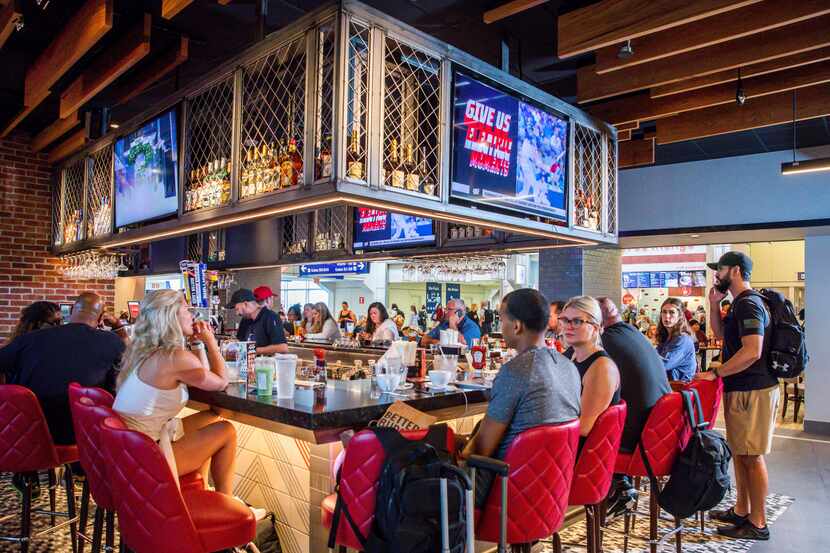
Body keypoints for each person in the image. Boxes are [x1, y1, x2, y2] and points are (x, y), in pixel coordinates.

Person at [112, 290, 244, 505]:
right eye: (186, 309)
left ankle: (201, 492)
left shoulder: (147, 351)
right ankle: (225, 505)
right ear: (171, 316)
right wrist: (210, 342)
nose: (192, 315)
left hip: (129, 448)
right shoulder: (174, 357)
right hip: (145, 456)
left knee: (211, 416)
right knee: (226, 431)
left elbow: (202, 373)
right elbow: (221, 381)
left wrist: (197, 343)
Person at [459, 288, 581, 506]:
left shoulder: (515, 372)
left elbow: (481, 450)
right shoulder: (569, 367)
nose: (500, 325)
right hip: (551, 490)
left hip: (506, 490)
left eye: (501, 319)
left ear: (516, 326)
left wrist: (454, 452)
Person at [695, 251, 777, 540]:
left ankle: (758, 522)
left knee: (752, 456)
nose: (717, 275)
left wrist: (717, 373)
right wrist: (714, 305)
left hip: (754, 389)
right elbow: (720, 337)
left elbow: (752, 351)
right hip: (742, 388)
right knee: (741, 454)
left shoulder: (750, 305)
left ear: (737, 271)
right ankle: (742, 510)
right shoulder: (739, 303)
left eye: (721, 269)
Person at [0, 293, 125, 445]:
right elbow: (131, 363)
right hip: (82, 433)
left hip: (26, 430)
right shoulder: (112, 341)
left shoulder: (30, 339)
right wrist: (118, 326)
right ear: (101, 318)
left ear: (71, 309)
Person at [596, 297, 671, 515]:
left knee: (587, 430)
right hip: (661, 433)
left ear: (596, 322)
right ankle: (620, 484)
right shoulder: (632, 332)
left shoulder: (606, 341)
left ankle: (611, 488)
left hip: (641, 441)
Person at [560, 296, 621, 440]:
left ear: (595, 327)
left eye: (577, 321)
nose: (568, 326)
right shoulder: (573, 356)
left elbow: (584, 429)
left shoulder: (601, 368)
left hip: (580, 451)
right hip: (567, 440)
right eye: (565, 320)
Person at [228, 289, 288, 354]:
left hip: (266, 362)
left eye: (237, 309)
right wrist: (232, 345)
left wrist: (254, 351)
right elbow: (240, 342)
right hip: (248, 362)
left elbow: (283, 348)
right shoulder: (245, 320)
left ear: (246, 304)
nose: (237, 313)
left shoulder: (270, 317)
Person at [656, 298, 697, 382]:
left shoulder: (683, 339)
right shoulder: (666, 337)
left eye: (672, 312)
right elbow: (655, 358)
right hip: (667, 385)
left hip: (679, 389)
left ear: (680, 316)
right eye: (664, 312)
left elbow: (663, 365)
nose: (667, 316)